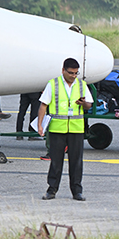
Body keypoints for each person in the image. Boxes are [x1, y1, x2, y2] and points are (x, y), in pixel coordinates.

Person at [38, 58, 92, 201]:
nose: (73, 76)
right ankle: (52, 189)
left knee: (76, 161)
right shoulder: (53, 84)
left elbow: (89, 105)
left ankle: (77, 191)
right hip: (57, 129)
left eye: (76, 73)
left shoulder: (81, 85)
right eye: (71, 73)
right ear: (63, 70)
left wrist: (84, 103)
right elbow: (43, 105)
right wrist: (40, 125)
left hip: (76, 129)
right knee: (56, 161)